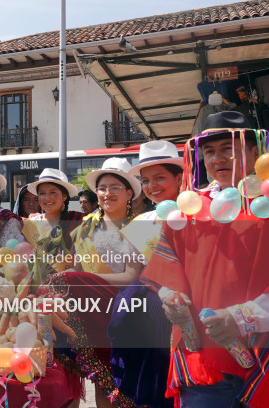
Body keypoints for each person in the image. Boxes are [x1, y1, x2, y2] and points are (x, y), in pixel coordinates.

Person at [143, 111, 269, 407]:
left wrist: (242, 317)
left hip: (265, 353)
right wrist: (172, 300)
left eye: (228, 148)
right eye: (209, 151)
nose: (217, 159)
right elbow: (166, 268)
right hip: (203, 360)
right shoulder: (189, 209)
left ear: (255, 152)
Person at [48, 158, 144, 408]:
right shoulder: (87, 226)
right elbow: (77, 269)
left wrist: (82, 281)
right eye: (102, 188)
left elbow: (130, 277)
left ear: (129, 193)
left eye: (115, 188)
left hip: (122, 310)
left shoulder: (138, 226)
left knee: (122, 386)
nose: (107, 193)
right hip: (88, 311)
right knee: (98, 382)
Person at [108, 141, 183, 408]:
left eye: (160, 177)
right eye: (146, 180)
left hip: (187, 315)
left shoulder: (196, 214)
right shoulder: (139, 224)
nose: (152, 186)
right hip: (149, 319)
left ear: (179, 178)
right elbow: (132, 275)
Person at [24, 168, 84, 271]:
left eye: (53, 192)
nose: (47, 198)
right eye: (42, 193)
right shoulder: (31, 224)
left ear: (64, 196)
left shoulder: (77, 222)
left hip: (68, 282)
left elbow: (80, 265)